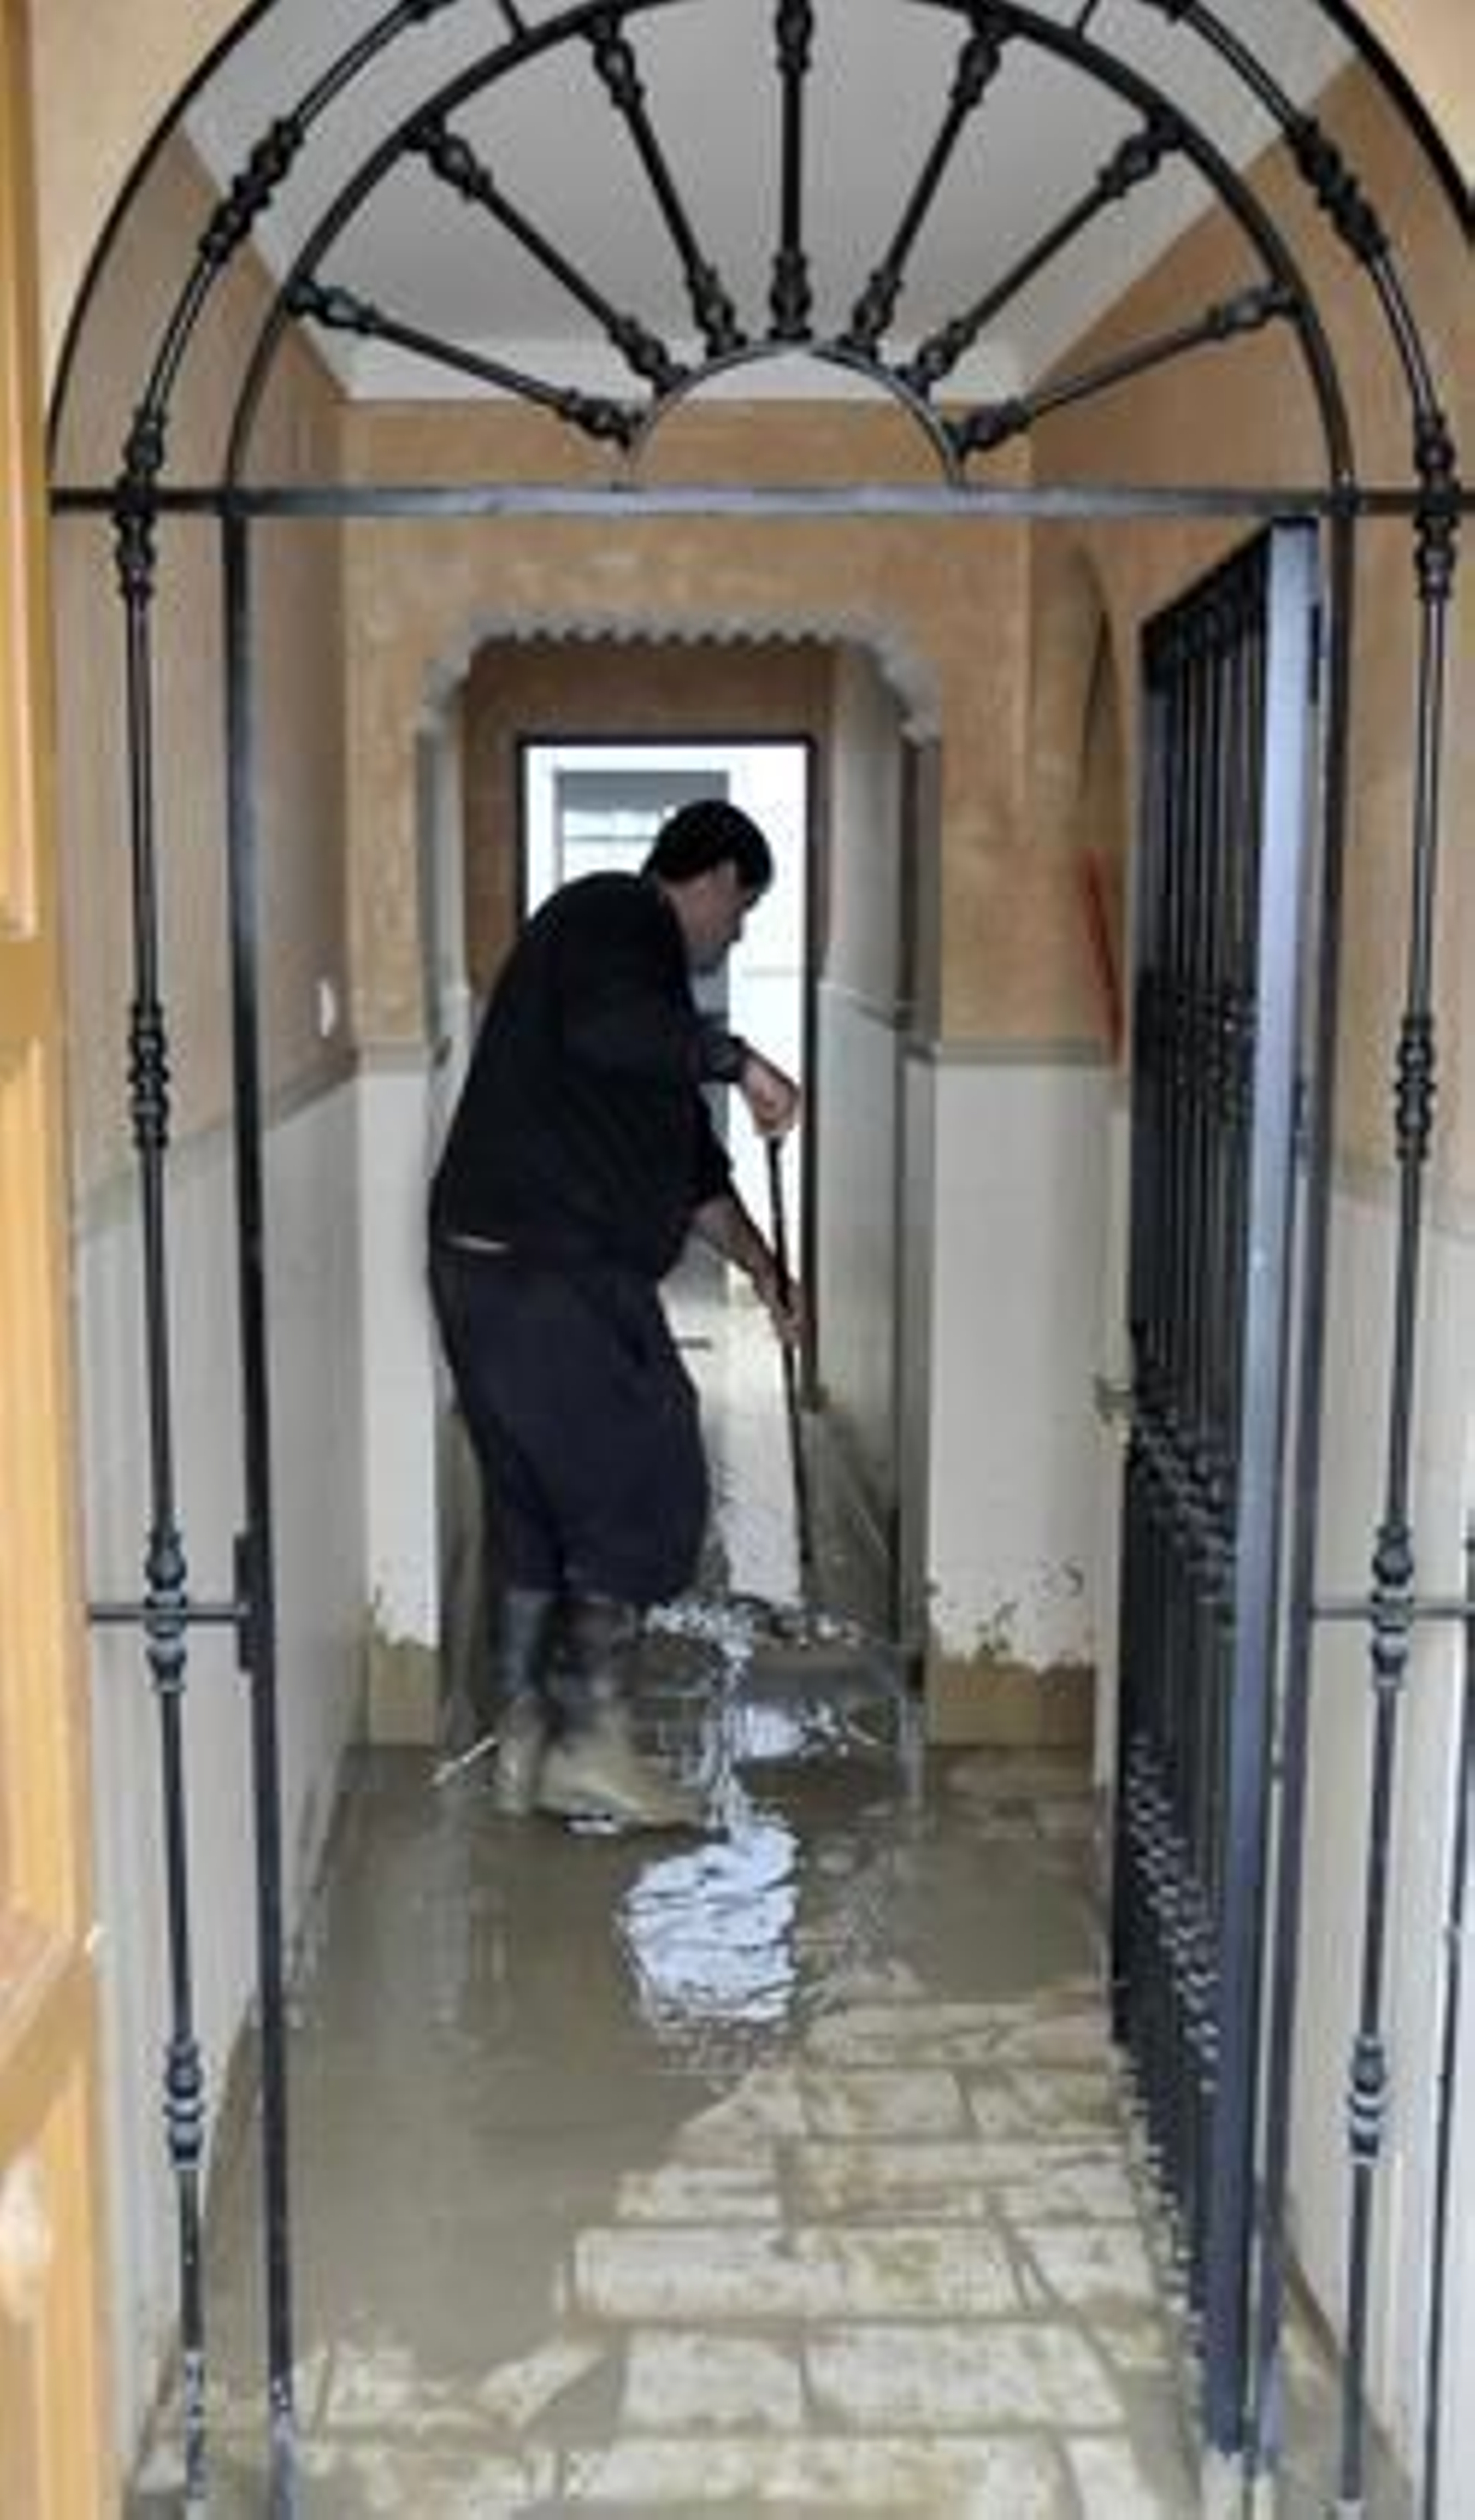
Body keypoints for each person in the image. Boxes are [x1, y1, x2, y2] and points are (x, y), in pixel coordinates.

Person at [429, 798, 802, 1830]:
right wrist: (739, 1059)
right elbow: (614, 1033)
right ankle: (590, 1743)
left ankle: (524, 1746)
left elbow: (694, 1182)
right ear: (717, 875)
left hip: (492, 1266)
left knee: (535, 1507)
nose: (737, 935)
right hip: (546, 1269)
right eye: (745, 910)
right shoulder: (610, 916)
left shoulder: (645, 1000)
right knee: (653, 1473)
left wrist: (767, 1274)